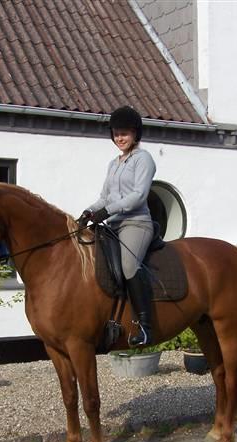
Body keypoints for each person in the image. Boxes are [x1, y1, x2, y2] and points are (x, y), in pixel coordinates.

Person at [78, 106, 156, 347]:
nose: (120, 138)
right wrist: (88, 212)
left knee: (128, 264)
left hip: (136, 223)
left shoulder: (143, 159)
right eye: (116, 133)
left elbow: (138, 196)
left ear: (135, 134)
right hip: (113, 223)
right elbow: (105, 197)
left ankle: (145, 326)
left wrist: (107, 210)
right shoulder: (114, 164)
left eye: (125, 133)